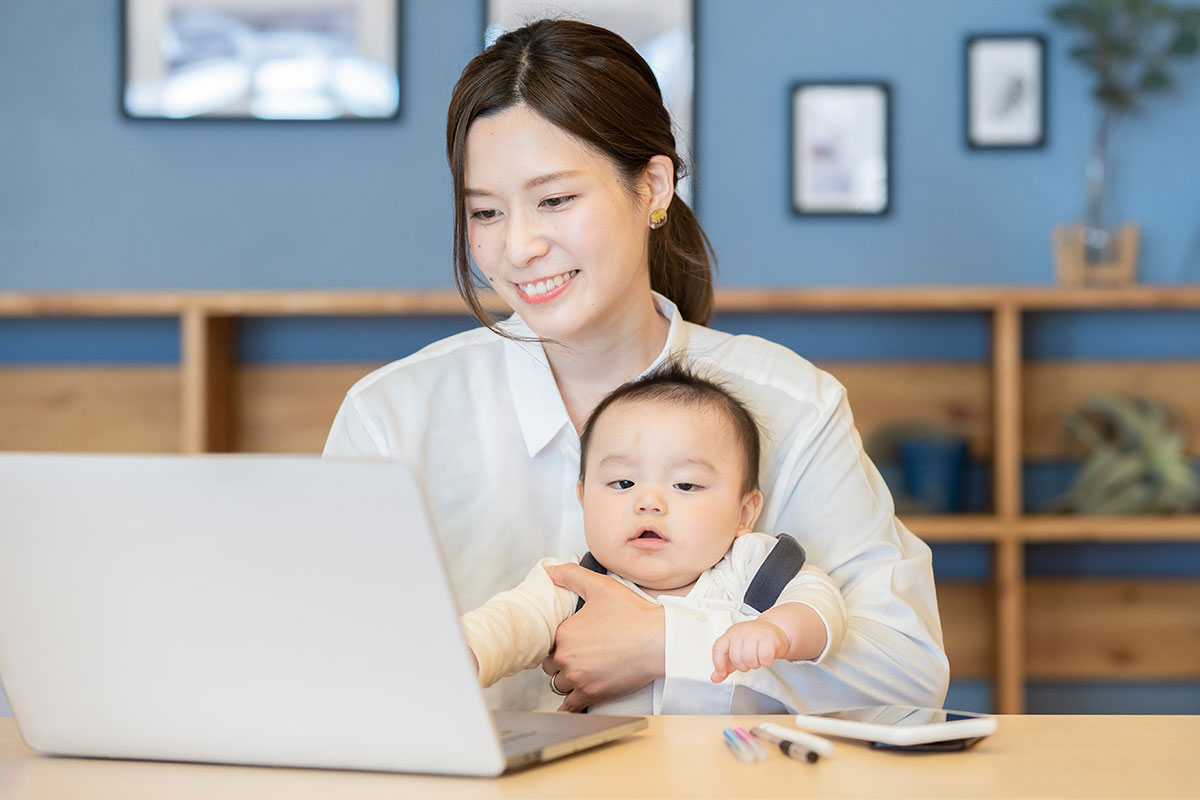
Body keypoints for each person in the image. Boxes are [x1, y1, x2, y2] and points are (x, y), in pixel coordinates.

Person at [323, 18, 949, 714]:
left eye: (555, 200)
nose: (519, 246)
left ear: (652, 187)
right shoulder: (391, 418)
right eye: (487, 212)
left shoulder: (793, 404)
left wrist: (665, 643)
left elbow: (909, 673)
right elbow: (335, 669)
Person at [461, 363, 848, 714]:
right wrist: (465, 652)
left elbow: (819, 599)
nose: (648, 502)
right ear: (584, 498)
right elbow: (505, 626)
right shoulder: (572, 585)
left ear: (744, 513)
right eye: (623, 482)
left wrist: (780, 630)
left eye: (685, 484)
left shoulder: (751, 567)